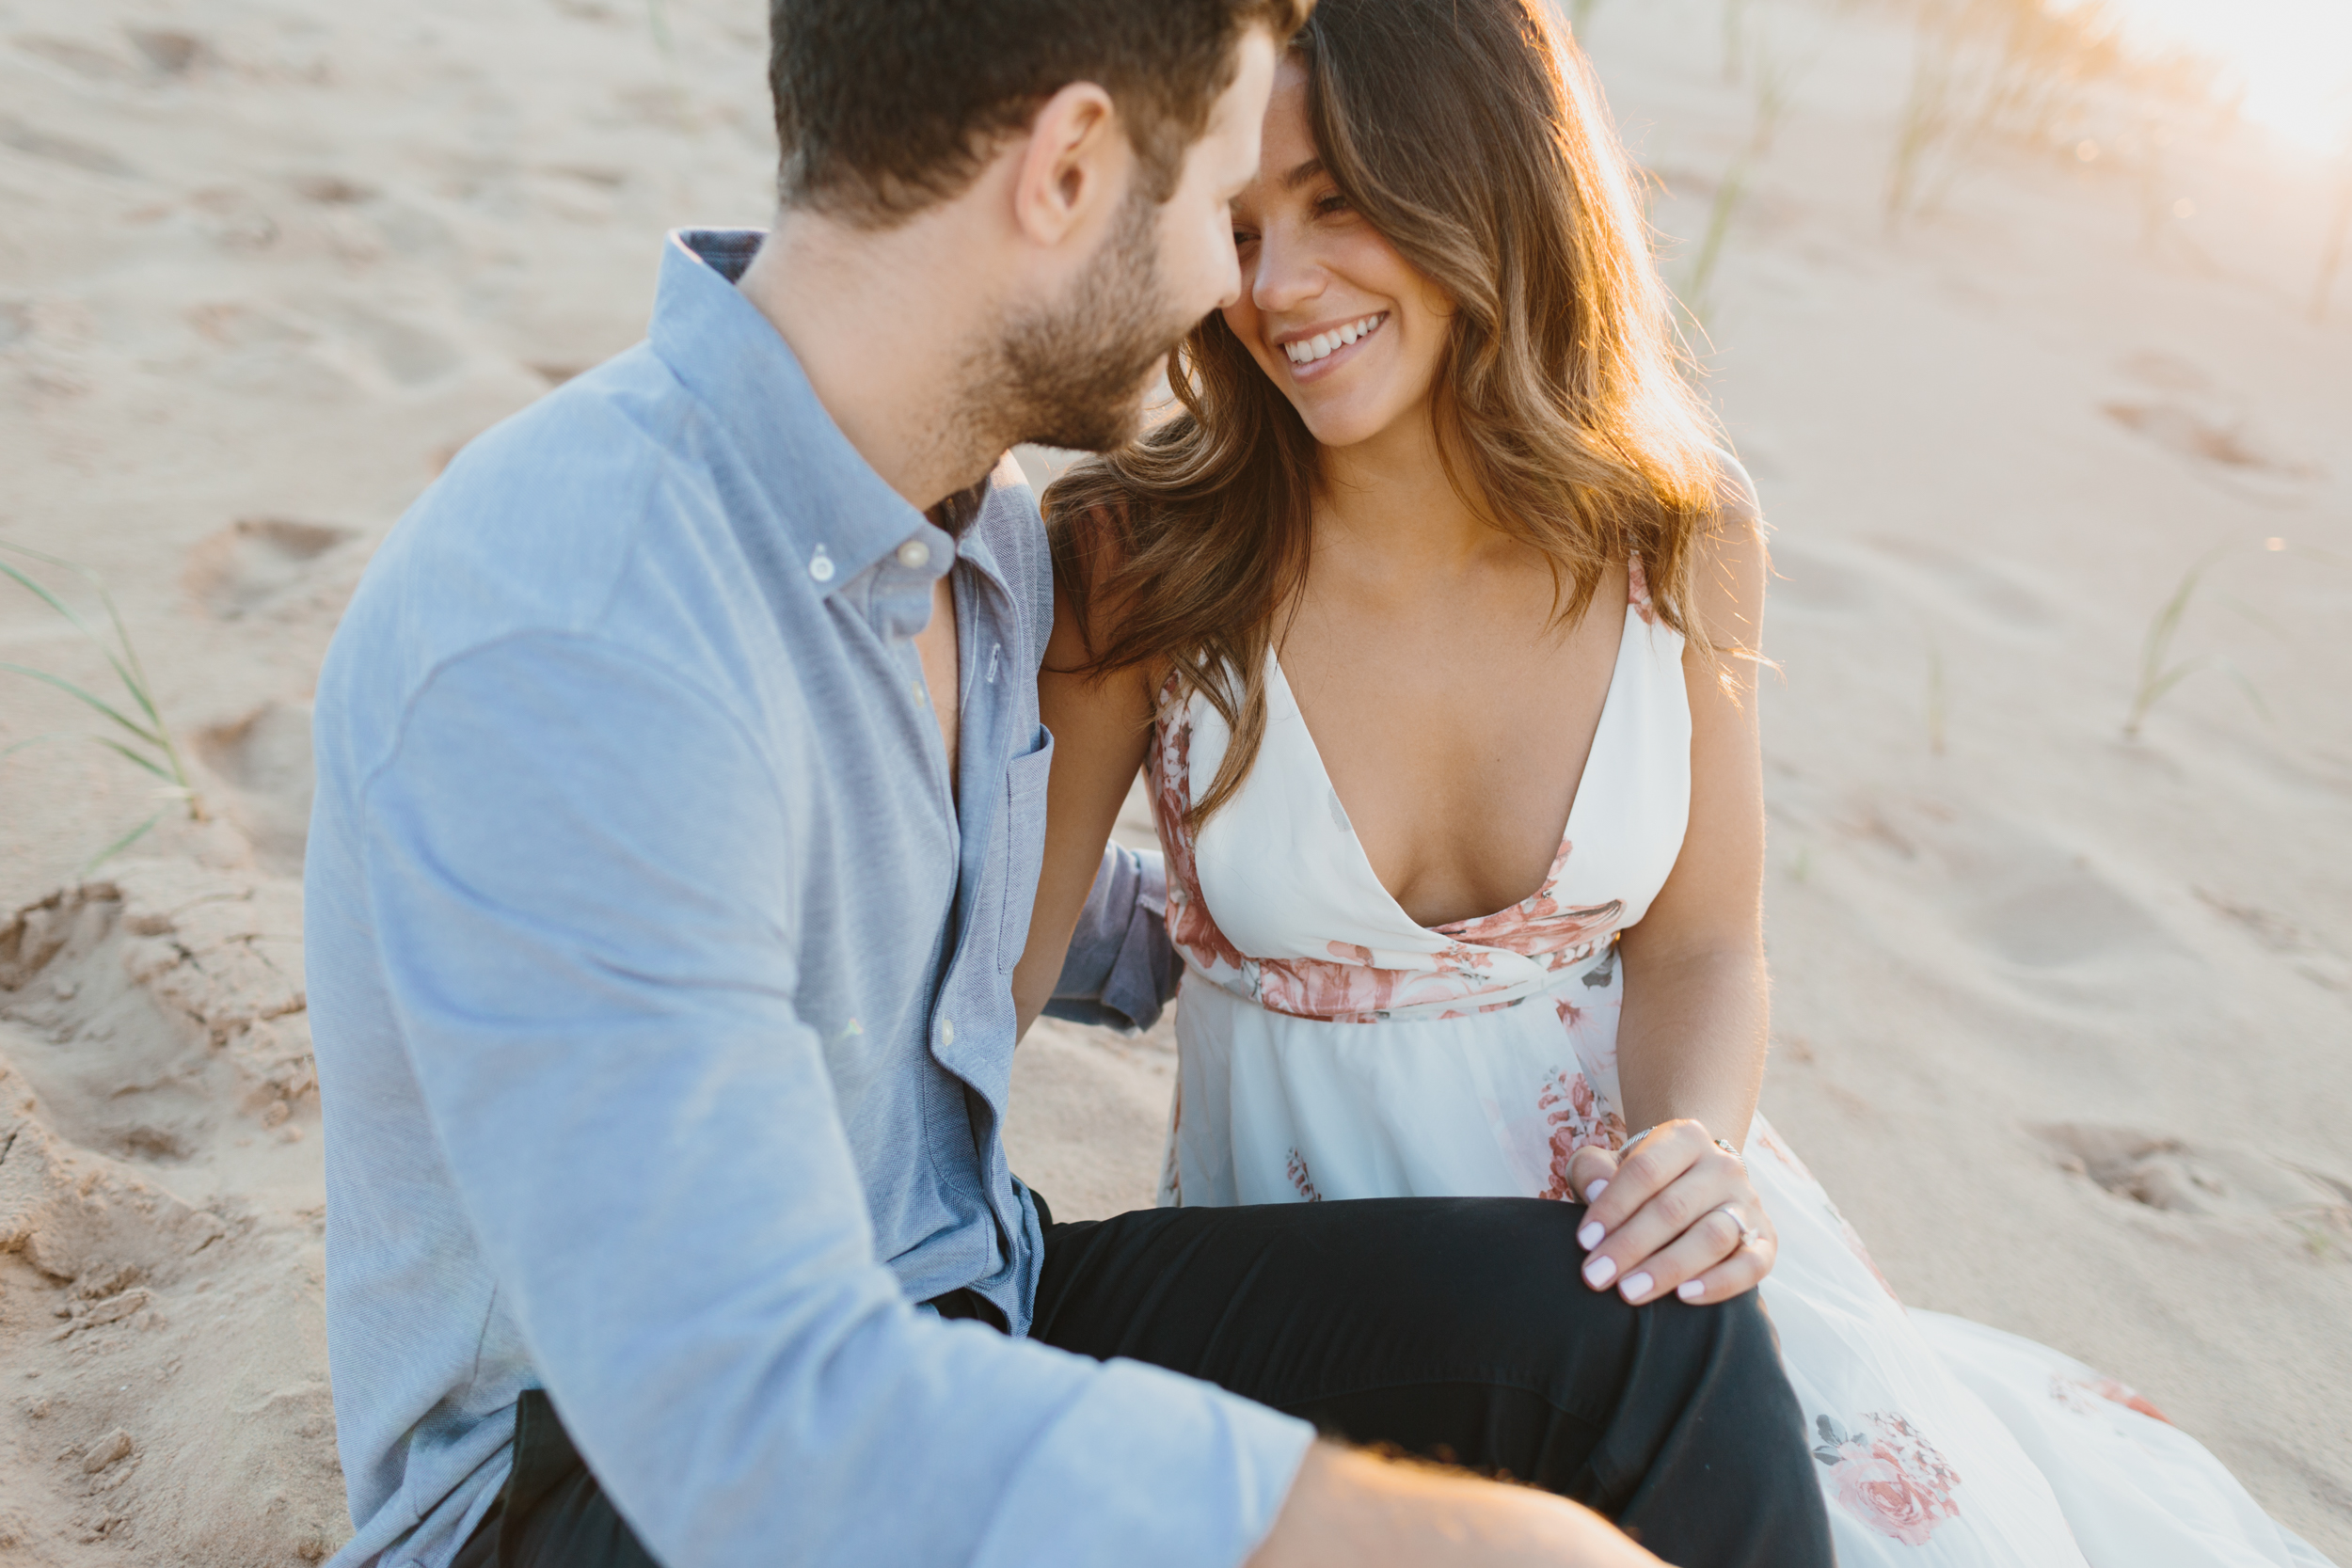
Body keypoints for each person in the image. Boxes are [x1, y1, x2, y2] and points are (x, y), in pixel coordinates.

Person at [303, 1, 1836, 1565]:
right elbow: (734, 1409)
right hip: (611, 1487)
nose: (1231, 287)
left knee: (1648, 1355)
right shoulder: (581, 626)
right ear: (1075, 170)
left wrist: (1211, 930)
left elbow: (908, 871)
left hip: (966, 1293)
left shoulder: (968, 538)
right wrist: (1404, 1540)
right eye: (1222, 198)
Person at [1020, 2, 2340, 1565]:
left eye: (1340, 201)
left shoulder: (1676, 535)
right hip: (1327, 1280)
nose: (1279, 287)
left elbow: (1704, 943)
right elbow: (991, 979)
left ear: (1488, 184)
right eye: (1239, 226)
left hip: (1635, 1253)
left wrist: (1696, 1151)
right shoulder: (1137, 561)